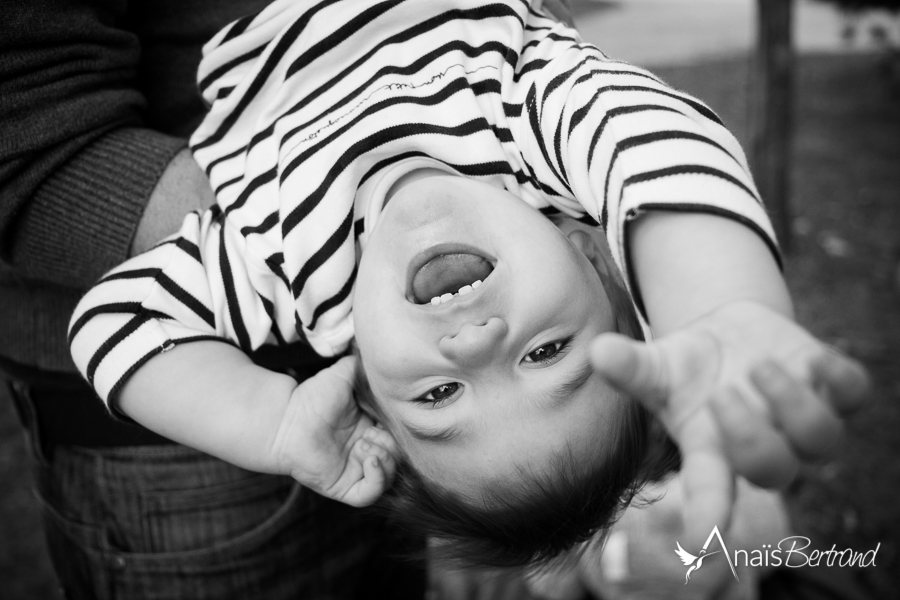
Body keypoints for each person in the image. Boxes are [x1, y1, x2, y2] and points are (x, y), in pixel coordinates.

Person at [67, 0, 870, 574]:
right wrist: (720, 308)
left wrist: (271, 421)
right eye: (549, 351)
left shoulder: (280, 266)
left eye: (441, 397)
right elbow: (648, 136)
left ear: (368, 387)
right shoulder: (527, 126)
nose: (478, 341)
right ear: (591, 258)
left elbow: (117, 320)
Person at [0, 1, 427, 598]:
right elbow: (26, 125)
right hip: (190, 438)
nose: (477, 339)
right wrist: (274, 419)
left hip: (350, 409)